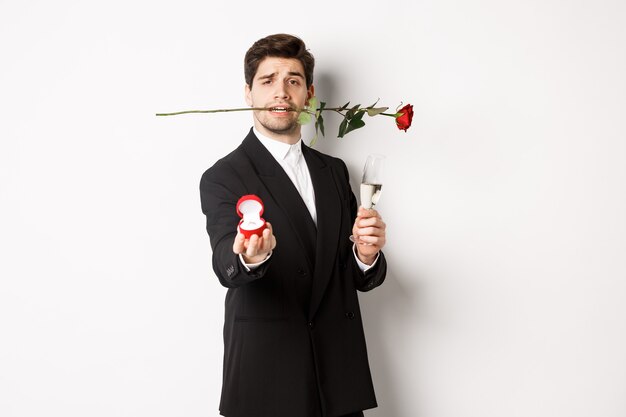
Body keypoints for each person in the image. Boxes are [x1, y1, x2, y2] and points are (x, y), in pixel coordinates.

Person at [199, 33, 387, 417]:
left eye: (293, 81)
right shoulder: (223, 175)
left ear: (308, 95)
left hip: (338, 377)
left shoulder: (334, 172)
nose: (281, 92)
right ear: (249, 93)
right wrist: (250, 257)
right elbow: (225, 262)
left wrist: (365, 254)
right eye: (268, 81)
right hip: (267, 379)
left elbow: (352, 274)